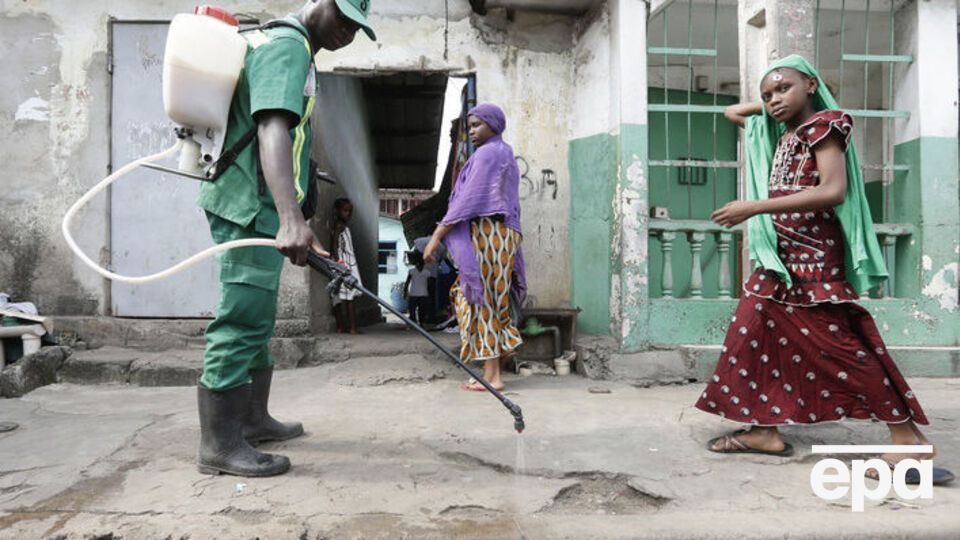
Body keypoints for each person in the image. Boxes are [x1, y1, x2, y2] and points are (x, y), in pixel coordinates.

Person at [695, 55, 943, 478]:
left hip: (812, 262)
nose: (774, 99)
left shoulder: (825, 126)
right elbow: (732, 111)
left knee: (841, 350)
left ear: (811, 84)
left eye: (784, 88)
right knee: (750, 335)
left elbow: (832, 191)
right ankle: (764, 430)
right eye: (768, 94)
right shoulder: (785, 129)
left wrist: (756, 206)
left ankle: (907, 440)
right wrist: (772, 105)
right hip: (780, 263)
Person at [194, 0, 376, 477]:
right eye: (342, 19)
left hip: (256, 204)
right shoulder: (289, 46)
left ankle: (251, 418)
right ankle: (220, 444)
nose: (346, 34)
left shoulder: (291, 46)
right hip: (250, 206)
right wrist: (290, 219)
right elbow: (271, 128)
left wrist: (298, 220)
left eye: (356, 29)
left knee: (257, 316)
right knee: (241, 318)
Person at [423, 103, 526, 392]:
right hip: (503, 236)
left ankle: (493, 376)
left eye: (477, 124)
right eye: (470, 126)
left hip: (488, 234)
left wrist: (436, 236)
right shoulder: (505, 154)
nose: (472, 131)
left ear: (494, 124)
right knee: (486, 299)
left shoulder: (489, 154)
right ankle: (492, 366)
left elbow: (468, 200)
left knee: (481, 301)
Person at [331, 197, 363, 334]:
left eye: (350, 211)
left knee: (339, 296)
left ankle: (342, 326)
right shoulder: (340, 226)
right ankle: (352, 328)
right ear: (337, 211)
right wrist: (339, 261)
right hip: (345, 264)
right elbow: (334, 245)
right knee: (350, 296)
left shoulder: (342, 226)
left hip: (343, 263)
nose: (348, 214)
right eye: (345, 211)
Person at [404, 250, 431, 325]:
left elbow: (407, 283)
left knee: (420, 310)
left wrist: (405, 291)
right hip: (417, 294)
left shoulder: (426, 272)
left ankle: (419, 322)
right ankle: (416, 322)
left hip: (420, 294)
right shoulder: (414, 271)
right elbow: (407, 283)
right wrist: (405, 291)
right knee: (414, 310)